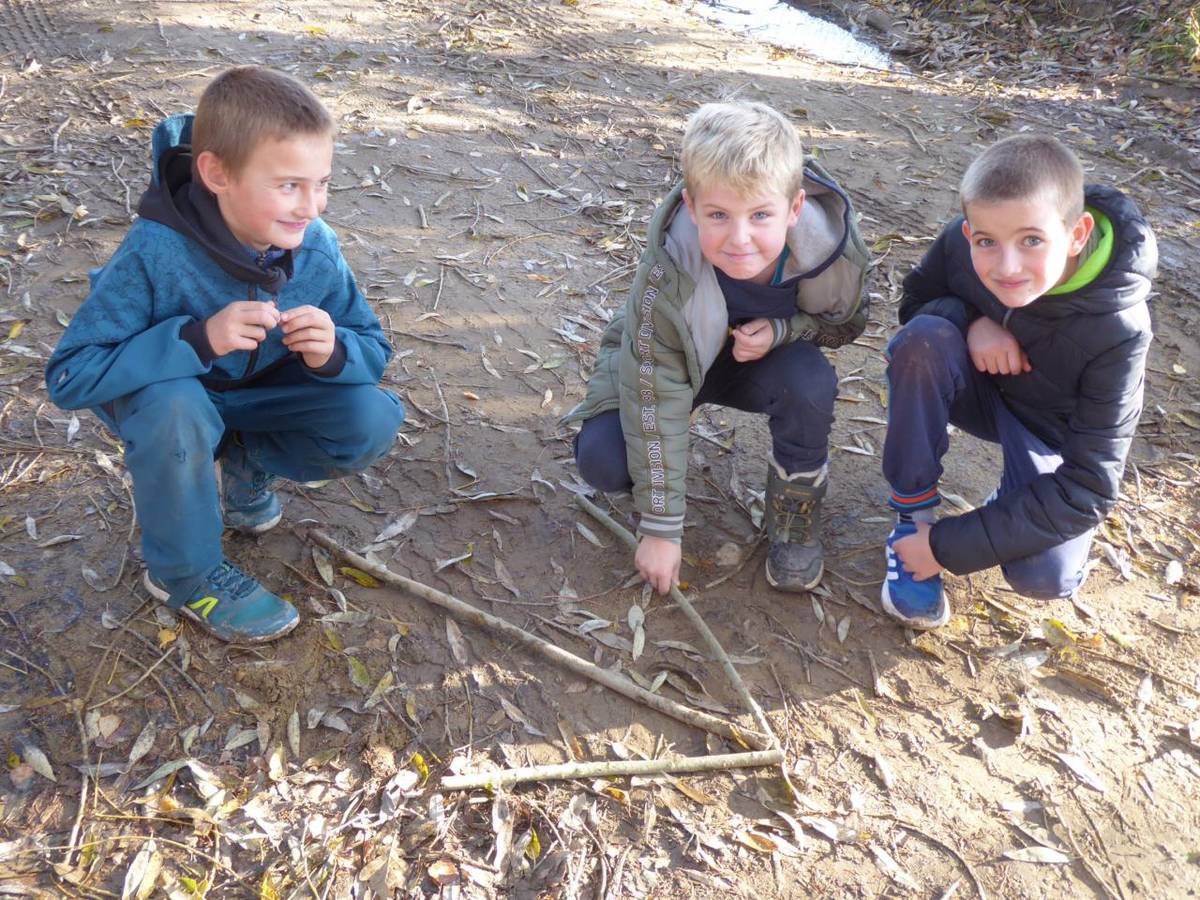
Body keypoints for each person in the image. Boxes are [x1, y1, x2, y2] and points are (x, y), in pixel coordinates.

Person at [45, 66, 404, 642]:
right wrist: (196, 341)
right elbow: (71, 374)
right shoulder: (155, 251)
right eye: (289, 185)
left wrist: (335, 351)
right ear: (217, 174)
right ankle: (183, 575)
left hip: (258, 401)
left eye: (322, 183)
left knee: (371, 416)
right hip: (176, 409)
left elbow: (372, 346)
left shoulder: (316, 246)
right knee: (175, 406)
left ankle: (246, 463)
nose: (311, 207)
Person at [563, 101, 870, 595]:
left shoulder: (831, 250)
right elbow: (655, 387)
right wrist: (662, 528)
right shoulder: (668, 269)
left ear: (794, 209)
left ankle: (795, 509)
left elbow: (844, 326)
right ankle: (658, 474)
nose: (739, 238)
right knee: (603, 460)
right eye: (719, 215)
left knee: (810, 383)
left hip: (762, 362)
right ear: (692, 207)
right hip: (671, 361)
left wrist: (782, 331)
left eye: (761, 215)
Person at [881, 133, 1156, 629]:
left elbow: (1089, 488)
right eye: (987, 242)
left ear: (1077, 234)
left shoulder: (1122, 330)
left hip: (1048, 432)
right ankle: (911, 518)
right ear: (970, 233)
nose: (1007, 267)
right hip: (983, 392)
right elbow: (915, 302)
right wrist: (971, 322)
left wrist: (944, 548)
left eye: (1032, 240)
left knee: (1044, 577)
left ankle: (1011, 498)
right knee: (922, 342)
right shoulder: (961, 243)